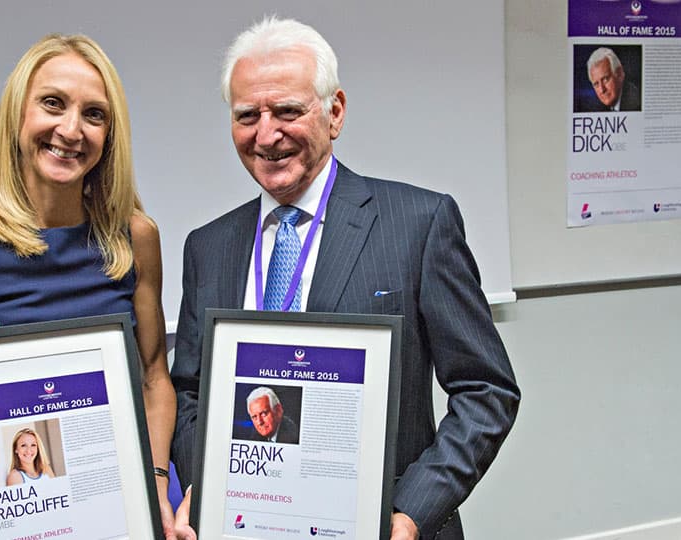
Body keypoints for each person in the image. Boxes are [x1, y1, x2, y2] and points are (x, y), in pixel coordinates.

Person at [169, 17, 520, 540]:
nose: (267, 135)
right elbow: (191, 392)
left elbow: (486, 390)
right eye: (247, 116)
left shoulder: (419, 225)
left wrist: (411, 514)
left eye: (288, 110)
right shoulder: (208, 246)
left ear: (334, 113)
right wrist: (209, 484)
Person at [0, 34, 178, 538]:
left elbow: (154, 380)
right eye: (52, 103)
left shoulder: (135, 236)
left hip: (119, 517)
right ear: (17, 116)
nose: (71, 129)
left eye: (94, 114)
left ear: (110, 135)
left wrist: (154, 492)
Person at [585, 47, 640, 112]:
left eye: (605, 79)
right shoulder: (597, 108)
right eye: (596, 84)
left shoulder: (637, 102)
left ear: (619, 74)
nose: (602, 90)